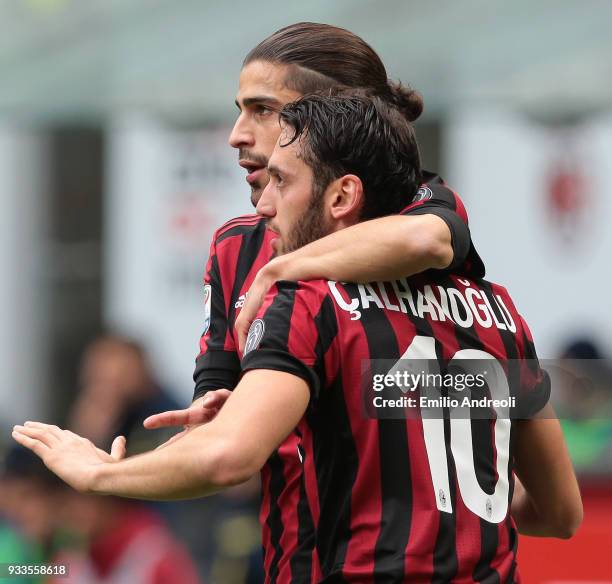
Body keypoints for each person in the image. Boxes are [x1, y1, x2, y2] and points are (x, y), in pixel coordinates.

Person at [14, 91, 582, 583]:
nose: (263, 203)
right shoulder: (499, 311)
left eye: (281, 181)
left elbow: (227, 458)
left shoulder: (311, 301)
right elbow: (560, 512)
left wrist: (100, 474)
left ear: (341, 198)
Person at [143, 22, 484, 581]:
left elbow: (430, 239)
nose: (236, 133)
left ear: (329, 116)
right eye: (239, 109)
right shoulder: (236, 245)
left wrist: (280, 271)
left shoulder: (421, 208)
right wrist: (213, 419)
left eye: (262, 109)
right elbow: (223, 431)